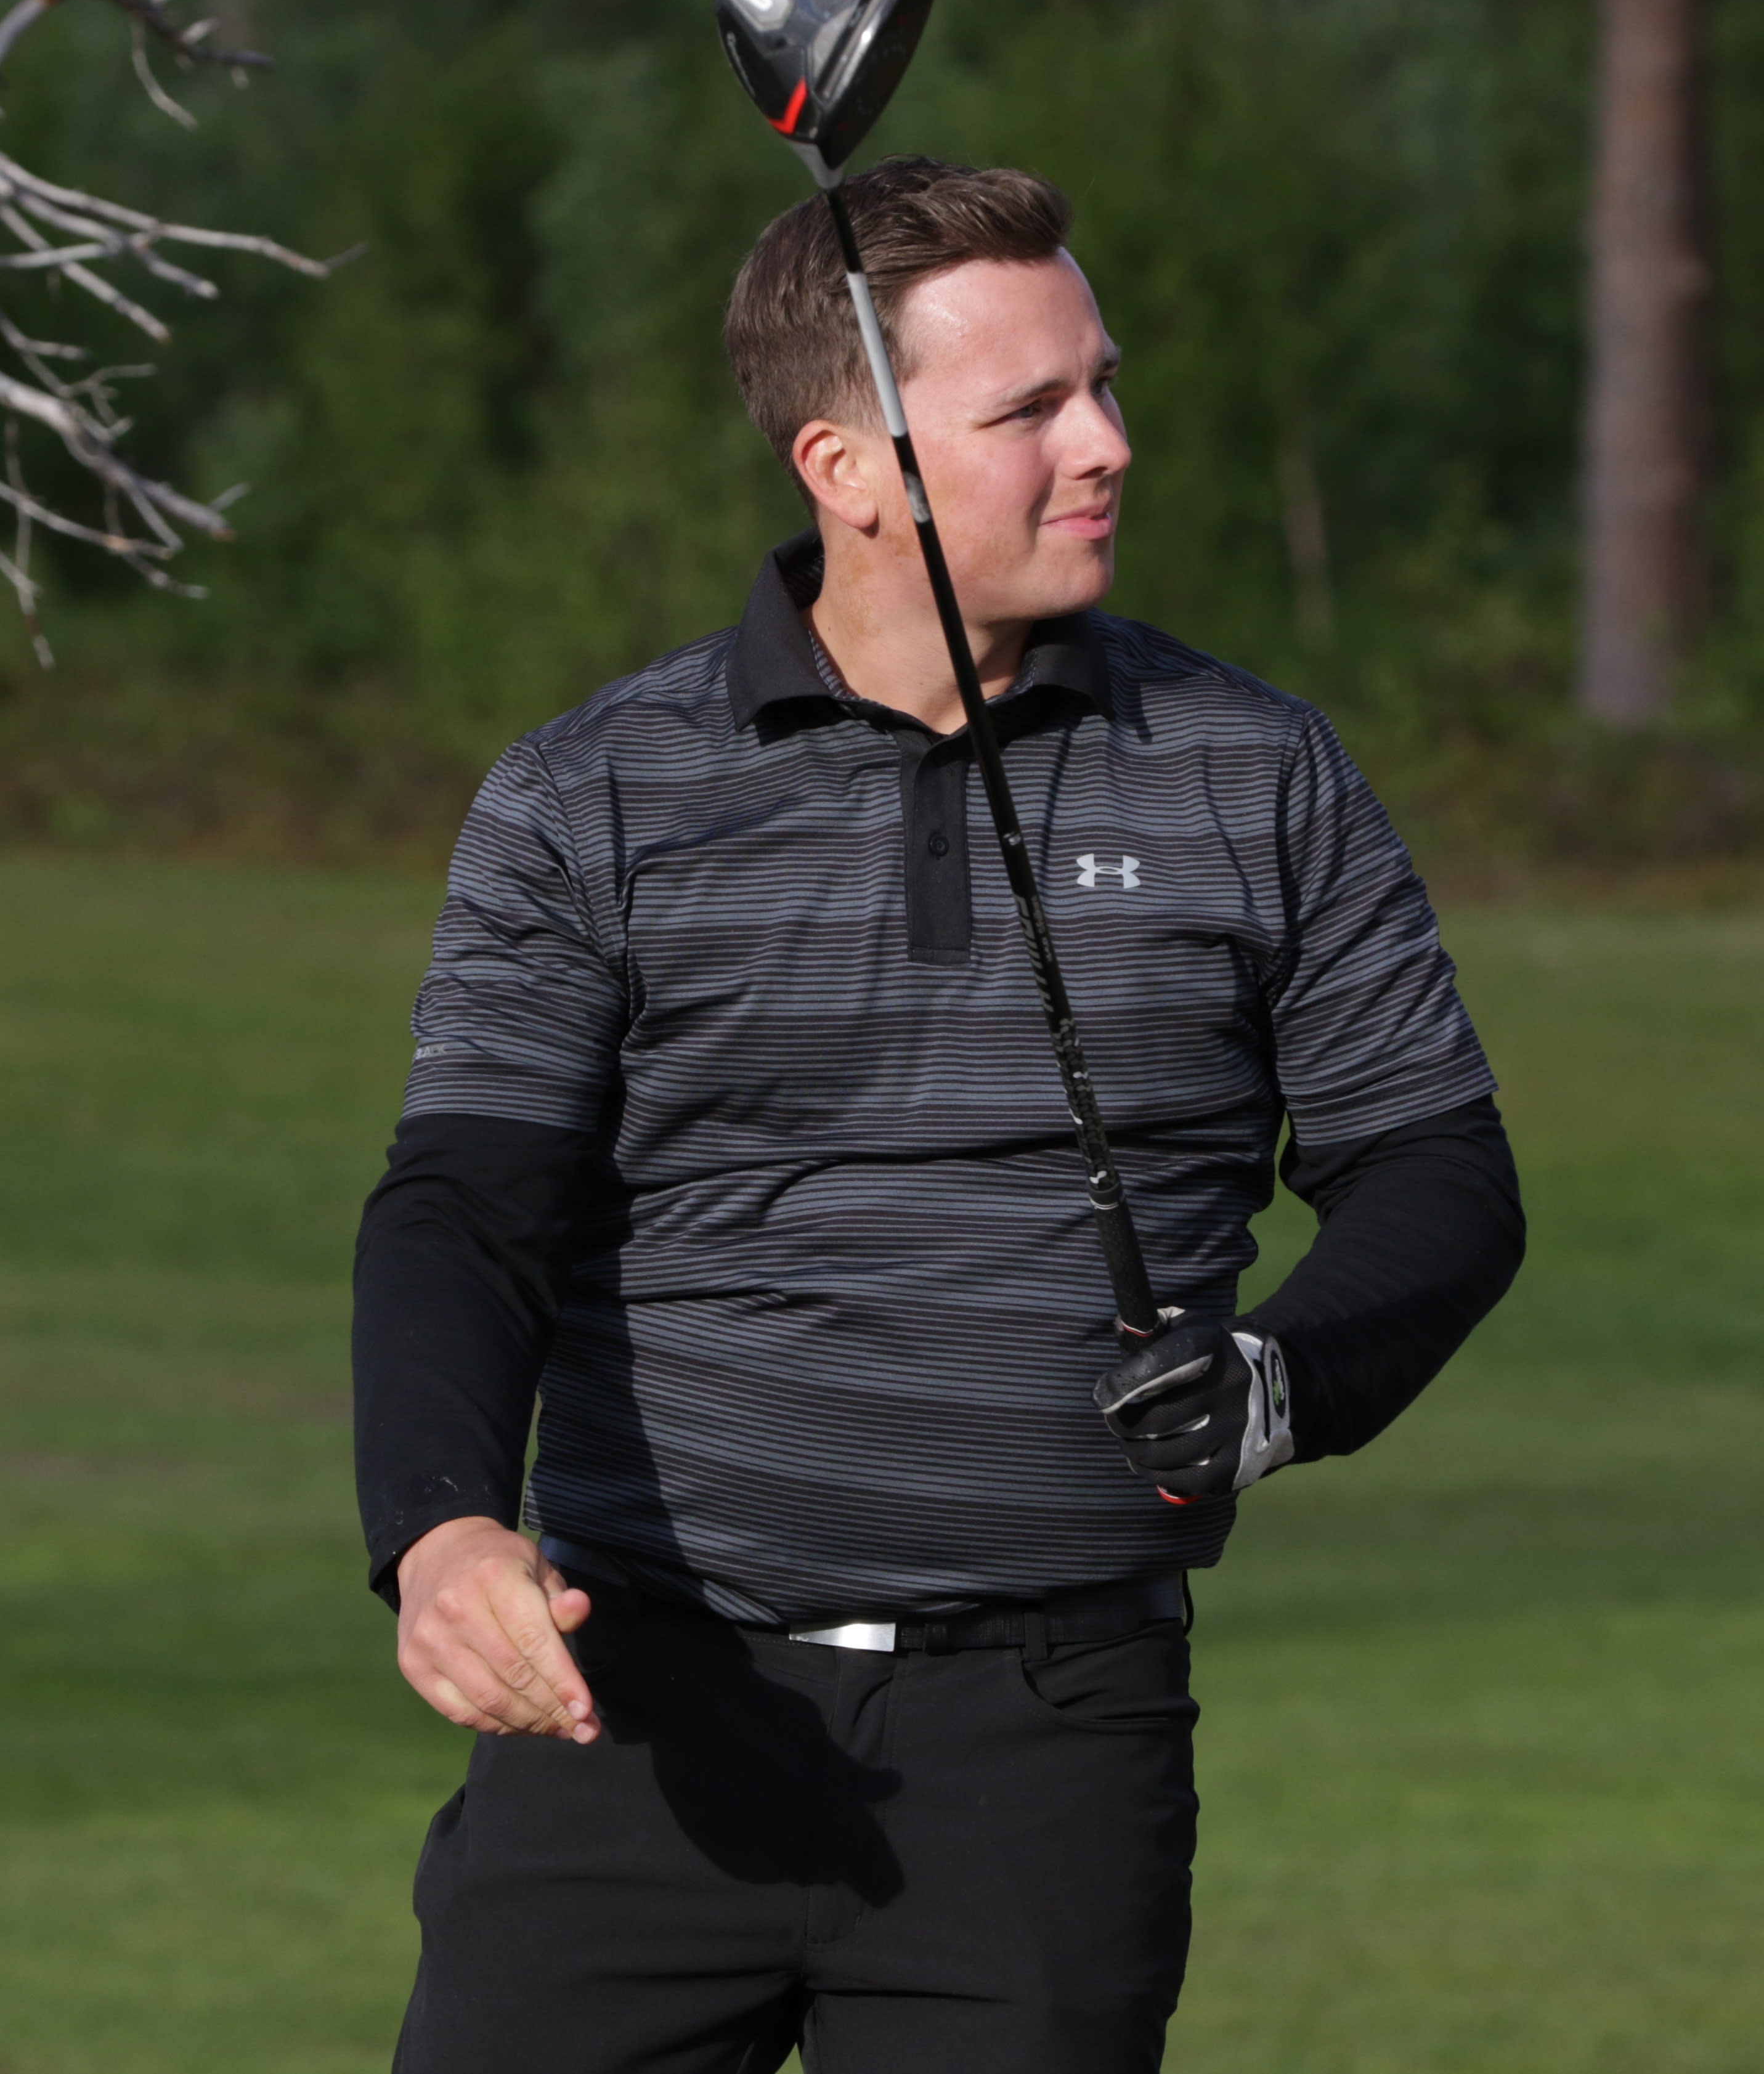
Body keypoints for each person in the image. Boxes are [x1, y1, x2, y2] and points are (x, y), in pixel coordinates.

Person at [353, 156, 1524, 2074]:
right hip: (627, 1722)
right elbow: (467, 1201)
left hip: (1048, 1751)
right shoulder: (593, 795)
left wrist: (1282, 1379)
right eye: (1030, 408)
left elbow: (1437, 1171)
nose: (1108, 444)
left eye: (1104, 385)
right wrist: (440, 1525)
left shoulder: (1258, 773)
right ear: (846, 467)